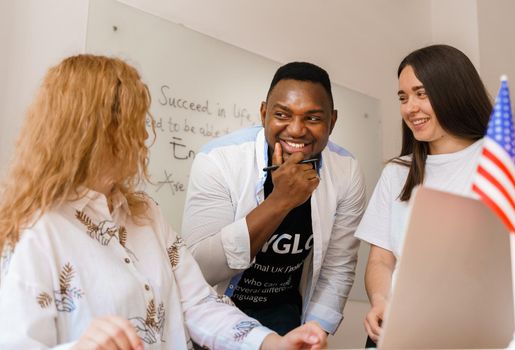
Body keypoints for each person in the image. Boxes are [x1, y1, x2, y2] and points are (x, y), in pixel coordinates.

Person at [0, 54, 328, 350]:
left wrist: (273, 343)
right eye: (135, 124)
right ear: (94, 131)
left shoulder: (145, 214)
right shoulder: (33, 230)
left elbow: (198, 304)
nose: (145, 137)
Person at [181, 61, 367, 336]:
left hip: (283, 313)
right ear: (264, 113)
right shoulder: (218, 160)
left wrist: (315, 332)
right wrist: (280, 201)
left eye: (313, 118)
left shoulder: (346, 170)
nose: (296, 130)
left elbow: (338, 267)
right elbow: (202, 268)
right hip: (217, 309)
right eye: (282, 114)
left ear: (333, 121)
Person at [354, 44, 493, 347]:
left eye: (421, 93)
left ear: (453, 92)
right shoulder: (397, 172)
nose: (409, 108)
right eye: (403, 97)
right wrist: (380, 300)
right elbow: (380, 259)